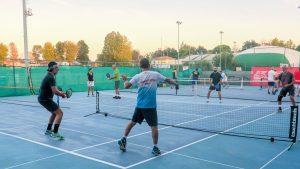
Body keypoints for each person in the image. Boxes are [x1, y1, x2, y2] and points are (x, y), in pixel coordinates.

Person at [118, 58, 177, 156]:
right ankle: (155, 147)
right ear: (149, 65)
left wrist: (125, 80)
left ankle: (123, 138)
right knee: (154, 127)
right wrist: (175, 84)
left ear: (140, 66)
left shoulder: (137, 76)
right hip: (150, 107)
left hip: (140, 106)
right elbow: (168, 80)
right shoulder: (155, 74)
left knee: (132, 122)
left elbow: (126, 86)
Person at [38, 61, 66, 140]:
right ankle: (55, 133)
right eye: (56, 67)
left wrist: (60, 93)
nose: (58, 69)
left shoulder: (49, 76)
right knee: (60, 113)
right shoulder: (51, 77)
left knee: (54, 113)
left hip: (43, 99)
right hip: (45, 99)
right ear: (52, 68)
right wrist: (61, 94)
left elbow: (54, 90)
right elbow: (54, 91)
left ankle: (48, 130)